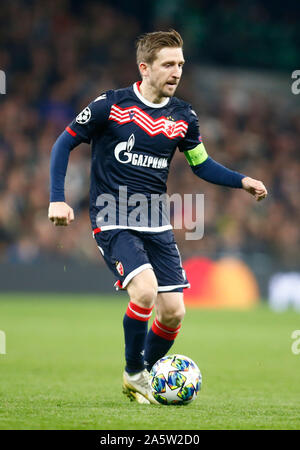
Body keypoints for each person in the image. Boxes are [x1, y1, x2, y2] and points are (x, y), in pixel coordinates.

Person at [48, 30, 267, 405]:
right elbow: (64, 142)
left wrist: (241, 180)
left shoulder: (183, 115)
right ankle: (134, 372)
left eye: (181, 64)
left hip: (156, 221)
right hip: (113, 216)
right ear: (144, 67)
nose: (177, 71)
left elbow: (201, 165)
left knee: (173, 313)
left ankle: (143, 373)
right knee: (146, 292)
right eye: (168, 64)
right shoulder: (110, 105)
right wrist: (57, 199)